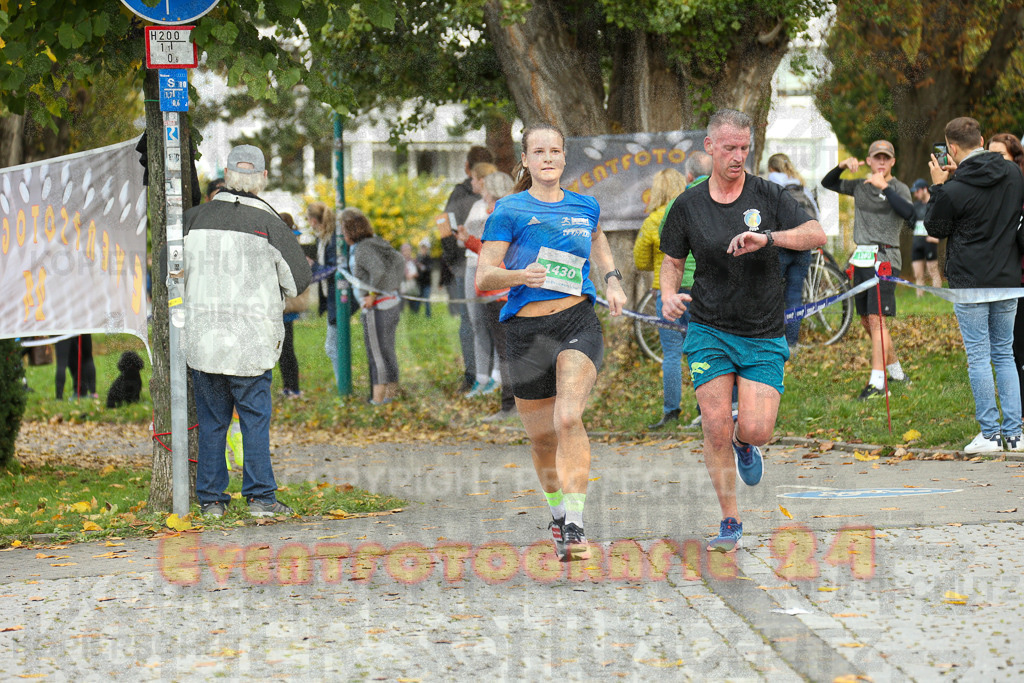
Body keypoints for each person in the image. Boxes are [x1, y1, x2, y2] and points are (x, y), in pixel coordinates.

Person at [660, 109, 826, 553]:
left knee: (757, 428)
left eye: (744, 148)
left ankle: (745, 443)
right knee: (714, 424)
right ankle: (730, 520)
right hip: (709, 328)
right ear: (709, 147)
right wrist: (668, 294)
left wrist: (769, 238)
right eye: (729, 147)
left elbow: (816, 234)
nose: (738, 156)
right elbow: (672, 260)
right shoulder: (688, 205)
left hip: (762, 329)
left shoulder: (768, 194)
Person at [477, 123, 626, 561]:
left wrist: (612, 280)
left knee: (567, 418)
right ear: (525, 160)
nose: (547, 158)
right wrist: (520, 275)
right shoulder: (509, 210)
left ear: (564, 158)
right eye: (538, 151)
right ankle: (558, 514)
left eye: (555, 151)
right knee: (542, 439)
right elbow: (485, 275)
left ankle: (577, 526)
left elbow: (596, 238)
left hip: (577, 320)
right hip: (525, 331)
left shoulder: (585, 206)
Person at [182, 144, 312, 518]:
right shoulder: (271, 223)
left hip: (203, 337)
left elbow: (167, 275)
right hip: (252, 340)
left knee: (212, 422)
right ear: (263, 178)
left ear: (225, 174)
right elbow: (299, 280)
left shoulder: (192, 219)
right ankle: (260, 498)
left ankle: (210, 500)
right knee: (254, 420)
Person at [925, 117, 1024, 453]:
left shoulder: (954, 189)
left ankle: (990, 435)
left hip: (970, 279)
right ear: (982, 139)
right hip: (1008, 275)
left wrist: (939, 185)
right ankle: (1014, 433)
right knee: (1005, 354)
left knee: (979, 357)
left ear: (951, 148)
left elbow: (936, 228)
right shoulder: (1013, 174)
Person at [821, 139, 914, 400]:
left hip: (885, 256)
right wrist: (840, 166)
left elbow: (910, 213)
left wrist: (886, 188)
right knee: (866, 319)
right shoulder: (860, 186)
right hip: (861, 257)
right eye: (877, 157)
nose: (882, 162)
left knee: (877, 319)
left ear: (892, 162)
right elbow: (827, 183)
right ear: (869, 161)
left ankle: (878, 382)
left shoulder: (899, 187)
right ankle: (895, 371)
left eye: (886, 158)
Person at [457, 171, 518, 422]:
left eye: (484, 192)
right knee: (512, 350)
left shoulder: (497, 215)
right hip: (506, 289)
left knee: (506, 352)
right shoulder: (513, 213)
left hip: (498, 291)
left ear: (491, 194)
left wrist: (471, 242)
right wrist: (470, 241)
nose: (482, 195)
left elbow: (494, 251)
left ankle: (509, 407)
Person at [633, 168, 690, 429]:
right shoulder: (695, 213)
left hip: (666, 295)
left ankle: (671, 413)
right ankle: (707, 412)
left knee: (671, 354)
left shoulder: (653, 221)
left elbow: (640, 260)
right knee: (706, 352)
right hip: (700, 293)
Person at [341, 207, 406, 405]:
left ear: (349, 230)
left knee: (376, 354)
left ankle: (378, 399)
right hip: (392, 304)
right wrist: (391, 285)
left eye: (343, 230)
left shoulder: (362, 249)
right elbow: (399, 260)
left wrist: (372, 294)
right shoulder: (377, 242)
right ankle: (391, 395)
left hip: (377, 308)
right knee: (388, 352)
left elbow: (376, 271)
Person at [442, 146, 494, 392]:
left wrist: (450, 258)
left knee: (472, 323)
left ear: (468, 167)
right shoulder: (495, 191)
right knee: (484, 321)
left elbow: (444, 225)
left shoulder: (460, 194)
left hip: (468, 265)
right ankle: (484, 375)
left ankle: (474, 375)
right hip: (473, 260)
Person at [767, 153, 819, 351]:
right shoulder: (802, 185)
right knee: (795, 295)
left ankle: (771, 340)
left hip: (780, 246)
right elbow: (816, 216)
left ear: (772, 168)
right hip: (803, 247)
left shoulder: (771, 183)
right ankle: (792, 343)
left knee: (770, 293)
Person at [987, 133, 1024, 415]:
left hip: (1018, 281)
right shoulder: (988, 190)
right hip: (999, 282)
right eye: (989, 155)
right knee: (1007, 351)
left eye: (1000, 156)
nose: (993, 162)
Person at [462, 161, 502, 397]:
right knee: (477, 322)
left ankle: (497, 375)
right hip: (471, 264)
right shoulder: (476, 206)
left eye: (475, 178)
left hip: (490, 265)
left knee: (496, 321)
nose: (472, 182)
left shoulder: (500, 206)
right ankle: (481, 376)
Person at [307, 201, 343, 385]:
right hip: (332, 298)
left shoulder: (332, 240)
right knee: (336, 345)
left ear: (314, 220)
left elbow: (335, 270)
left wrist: (314, 266)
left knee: (331, 347)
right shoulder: (323, 239)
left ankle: (342, 384)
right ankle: (342, 383)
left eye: (309, 221)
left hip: (339, 298)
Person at [278, 212, 304, 398]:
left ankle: (292, 387)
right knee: (285, 347)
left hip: (285, 304)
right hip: (287, 305)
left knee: (285, 348)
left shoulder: (287, 243)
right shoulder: (293, 242)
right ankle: (289, 386)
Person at [909, 179, 942, 297]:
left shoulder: (935, 204)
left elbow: (942, 222)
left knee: (932, 270)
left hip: (930, 242)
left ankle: (937, 296)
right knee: (918, 274)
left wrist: (937, 237)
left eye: (917, 191)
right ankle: (919, 297)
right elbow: (910, 222)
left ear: (924, 189)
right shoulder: (915, 205)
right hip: (917, 242)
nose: (915, 194)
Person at [54, 334, 96, 399]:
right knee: (88, 358)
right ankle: (92, 393)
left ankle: (59, 397)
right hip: (83, 327)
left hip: (62, 329)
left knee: (61, 363)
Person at [414, 237, 434, 317]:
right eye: (422, 248)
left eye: (425, 248)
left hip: (427, 283)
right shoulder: (417, 258)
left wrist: (423, 267)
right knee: (417, 301)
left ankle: (428, 316)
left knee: (426, 300)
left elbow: (430, 268)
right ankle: (416, 315)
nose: (423, 249)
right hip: (419, 283)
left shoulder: (429, 258)